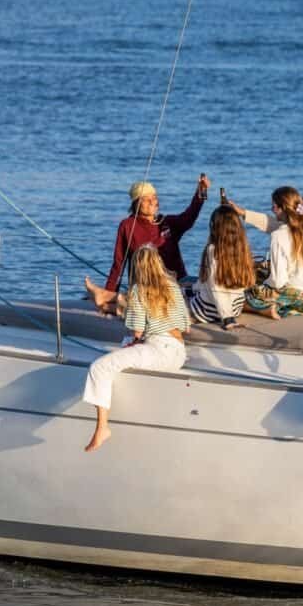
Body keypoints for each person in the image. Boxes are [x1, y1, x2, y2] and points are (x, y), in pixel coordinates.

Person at [83, 245, 189, 452]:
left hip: (159, 349)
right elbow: (186, 325)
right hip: (178, 352)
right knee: (124, 354)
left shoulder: (139, 290)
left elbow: (137, 332)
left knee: (100, 367)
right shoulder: (172, 287)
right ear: (158, 263)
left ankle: (102, 428)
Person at [85, 175, 208, 314]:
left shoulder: (166, 222)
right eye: (146, 199)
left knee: (206, 286)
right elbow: (118, 264)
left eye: (154, 197)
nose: (152, 201)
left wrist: (201, 191)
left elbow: (189, 217)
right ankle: (109, 297)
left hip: (178, 282)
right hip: (146, 286)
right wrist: (110, 291)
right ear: (136, 203)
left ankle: (110, 299)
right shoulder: (127, 225)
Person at [244, 186, 303, 319]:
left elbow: (278, 281)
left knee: (248, 293)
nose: (272, 210)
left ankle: (267, 310)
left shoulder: (279, 235)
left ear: (280, 208)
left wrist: (262, 284)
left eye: (273, 206)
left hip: (297, 295)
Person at [186, 206, 255, 330]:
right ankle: (191, 291)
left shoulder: (213, 250)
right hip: (236, 307)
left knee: (172, 298)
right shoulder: (242, 246)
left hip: (210, 311)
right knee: (188, 288)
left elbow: (215, 287)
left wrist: (228, 319)